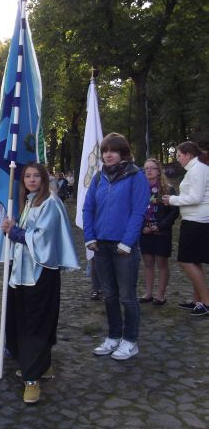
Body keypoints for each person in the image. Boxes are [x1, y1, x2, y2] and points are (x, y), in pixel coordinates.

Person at [0, 163, 79, 404]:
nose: (31, 180)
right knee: (22, 321)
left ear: (43, 179)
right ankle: (42, 364)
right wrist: (10, 229)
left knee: (35, 323)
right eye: (27, 176)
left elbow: (43, 238)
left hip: (40, 273)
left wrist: (16, 232)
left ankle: (32, 380)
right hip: (20, 274)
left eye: (36, 176)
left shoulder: (50, 203)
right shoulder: (28, 202)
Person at [83, 133, 150, 361]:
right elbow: (87, 208)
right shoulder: (98, 178)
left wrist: (127, 242)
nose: (107, 155)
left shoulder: (136, 176)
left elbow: (138, 212)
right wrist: (89, 237)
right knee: (109, 295)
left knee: (127, 297)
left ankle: (130, 341)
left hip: (124, 248)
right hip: (101, 246)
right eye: (105, 151)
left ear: (123, 152)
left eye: (113, 150)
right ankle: (113, 336)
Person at [162, 141, 209, 316]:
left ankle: (206, 301)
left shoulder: (198, 170)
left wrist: (172, 200)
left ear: (188, 154)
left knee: (186, 260)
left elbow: (195, 198)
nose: (178, 159)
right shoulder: (197, 169)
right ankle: (198, 300)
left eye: (179, 155)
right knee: (194, 260)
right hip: (195, 219)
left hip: (197, 221)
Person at [138, 158, 179, 305]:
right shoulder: (139, 189)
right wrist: (142, 226)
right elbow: (135, 210)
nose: (148, 170)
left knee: (162, 262)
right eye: (146, 168)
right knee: (148, 263)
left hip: (162, 231)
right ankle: (148, 293)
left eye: (152, 168)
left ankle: (160, 295)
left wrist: (161, 226)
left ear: (158, 170)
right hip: (145, 231)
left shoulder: (168, 188)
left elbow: (174, 211)